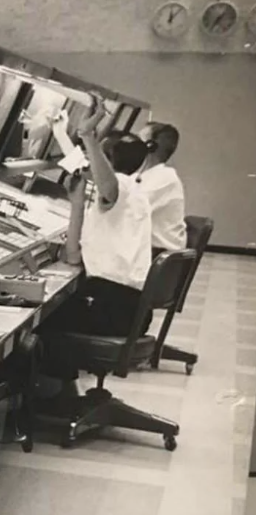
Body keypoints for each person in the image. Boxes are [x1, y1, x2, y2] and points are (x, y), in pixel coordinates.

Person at [46, 94, 154, 341]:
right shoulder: (133, 191)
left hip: (113, 308)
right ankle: (64, 379)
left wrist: (87, 136)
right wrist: (61, 134)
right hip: (124, 306)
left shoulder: (120, 190)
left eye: (96, 156)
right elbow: (73, 256)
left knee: (39, 322)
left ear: (106, 160)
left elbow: (106, 182)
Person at [134, 121, 187, 255]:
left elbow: (129, 209)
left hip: (155, 254)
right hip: (146, 249)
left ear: (150, 146)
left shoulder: (165, 178)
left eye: (138, 141)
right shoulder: (147, 174)